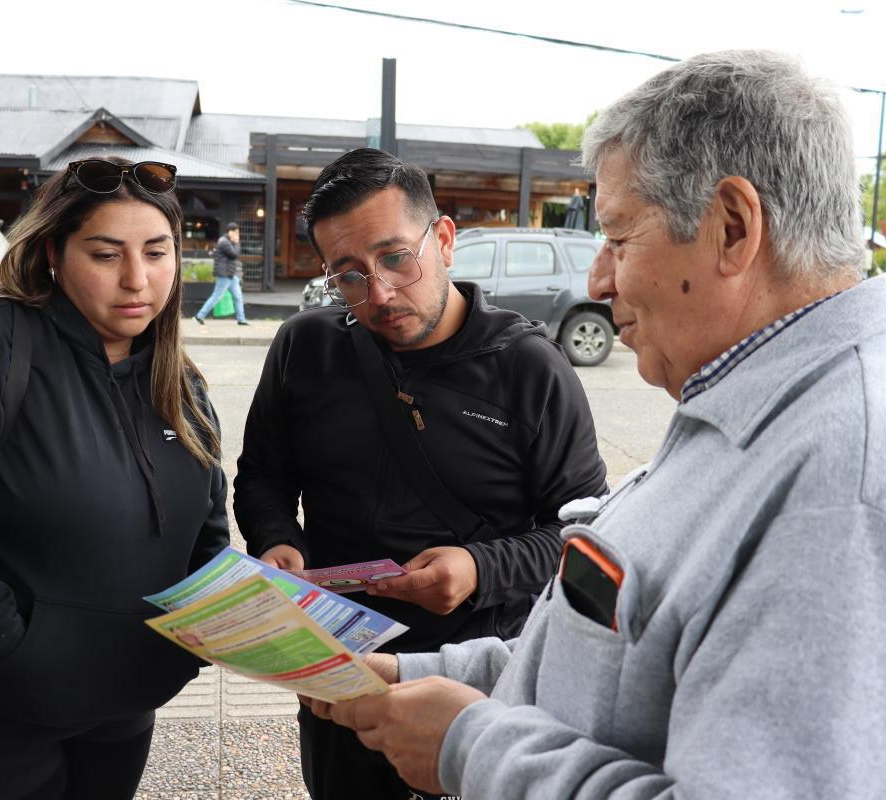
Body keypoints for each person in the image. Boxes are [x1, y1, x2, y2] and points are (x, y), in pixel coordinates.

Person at [312, 51, 886, 799]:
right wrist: (420, 676)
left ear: (732, 228)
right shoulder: (760, 407)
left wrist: (472, 745)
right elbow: (604, 657)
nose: (598, 279)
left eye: (618, 238)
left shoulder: (857, 483)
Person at [234, 147, 609, 799]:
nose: (379, 293)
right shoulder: (306, 346)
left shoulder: (531, 370)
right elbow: (262, 475)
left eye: (395, 258)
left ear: (444, 239)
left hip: (472, 675)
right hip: (341, 667)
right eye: (348, 275)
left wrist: (481, 569)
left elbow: (586, 545)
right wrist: (276, 540)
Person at [0, 157, 230, 800]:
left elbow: (207, 530)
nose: (137, 279)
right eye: (106, 255)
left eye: (156, 252)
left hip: (119, 703)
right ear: (52, 252)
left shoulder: (178, 380)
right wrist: (14, 647)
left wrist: (209, 630)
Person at [193, 221, 248, 325]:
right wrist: (237, 243)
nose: (237, 235)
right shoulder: (224, 242)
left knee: (238, 297)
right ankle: (199, 316)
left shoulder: (227, 241)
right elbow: (234, 254)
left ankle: (241, 320)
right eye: (236, 232)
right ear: (230, 232)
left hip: (230, 274)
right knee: (216, 296)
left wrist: (235, 243)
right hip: (224, 274)